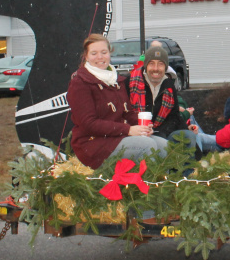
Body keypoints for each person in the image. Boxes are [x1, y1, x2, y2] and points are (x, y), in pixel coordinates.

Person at [68, 34, 168, 169]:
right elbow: (89, 124)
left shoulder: (116, 80)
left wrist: (143, 125)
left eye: (104, 52)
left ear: (110, 53)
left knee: (164, 146)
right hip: (92, 144)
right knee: (147, 146)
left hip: (117, 137)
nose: (100, 57)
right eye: (94, 53)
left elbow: (127, 113)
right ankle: (143, 187)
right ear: (86, 56)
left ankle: (164, 186)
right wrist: (128, 130)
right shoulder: (80, 83)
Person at [127, 44, 196, 150]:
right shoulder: (130, 83)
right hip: (134, 132)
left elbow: (174, 117)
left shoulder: (168, 85)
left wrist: (187, 128)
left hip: (160, 131)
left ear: (165, 67)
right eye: (151, 63)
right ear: (146, 65)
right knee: (161, 144)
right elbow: (124, 113)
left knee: (188, 136)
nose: (156, 69)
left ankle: (187, 166)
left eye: (160, 64)